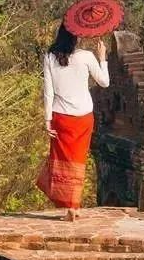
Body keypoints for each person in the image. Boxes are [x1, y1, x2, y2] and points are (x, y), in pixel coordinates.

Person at [36, 23, 109, 221]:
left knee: (63, 161)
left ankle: (71, 206)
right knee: (78, 161)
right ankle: (73, 207)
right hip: (83, 117)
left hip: (61, 117)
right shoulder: (86, 57)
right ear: (76, 37)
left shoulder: (50, 57)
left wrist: (47, 119)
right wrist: (103, 59)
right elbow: (104, 82)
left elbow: (48, 92)